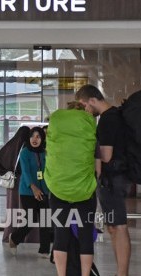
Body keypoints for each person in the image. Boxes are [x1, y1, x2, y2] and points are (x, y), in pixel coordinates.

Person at [76, 85, 131, 276]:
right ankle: (120, 272)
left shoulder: (107, 120)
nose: (85, 110)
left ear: (92, 100)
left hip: (112, 180)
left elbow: (106, 156)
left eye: (84, 105)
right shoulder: (114, 115)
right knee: (114, 227)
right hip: (115, 178)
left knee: (119, 226)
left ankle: (122, 273)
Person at [45, 102, 98, 276]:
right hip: (84, 190)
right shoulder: (89, 128)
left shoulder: (56, 125)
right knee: (85, 236)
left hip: (58, 189)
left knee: (61, 235)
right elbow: (98, 168)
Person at [8, 127, 51, 257]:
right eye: (33, 136)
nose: (35, 139)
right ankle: (14, 238)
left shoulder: (46, 153)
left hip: (44, 190)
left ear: (42, 139)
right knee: (31, 220)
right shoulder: (25, 152)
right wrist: (33, 187)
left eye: (38, 136)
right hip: (27, 192)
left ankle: (44, 250)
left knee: (45, 221)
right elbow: (25, 172)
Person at [0, 126, 30, 242]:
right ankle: (25, 236)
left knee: (12, 208)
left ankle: (10, 233)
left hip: (12, 184)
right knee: (26, 210)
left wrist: (5, 172)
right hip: (25, 183)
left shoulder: (11, 145)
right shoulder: (27, 146)